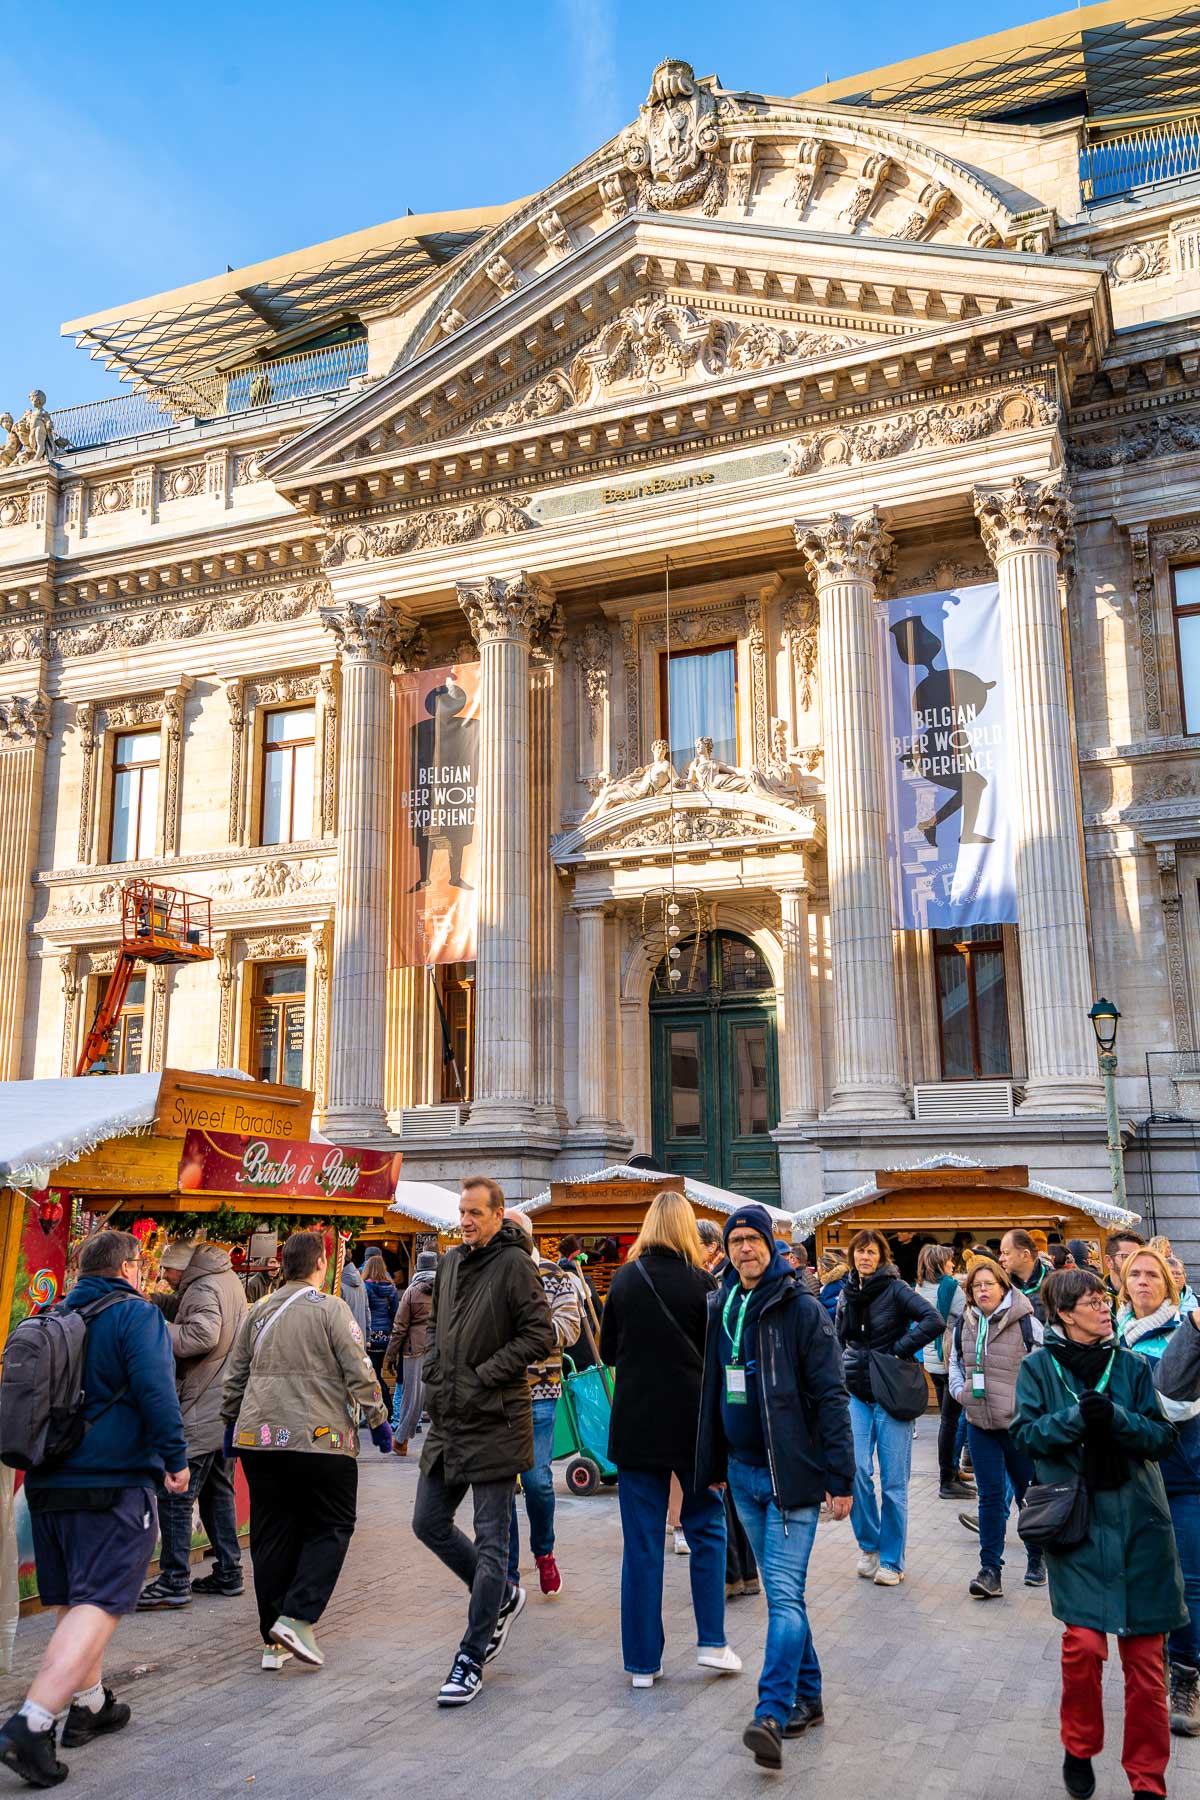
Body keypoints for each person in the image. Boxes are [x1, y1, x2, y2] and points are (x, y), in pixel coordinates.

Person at [0, 1231, 188, 1790]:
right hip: (111, 1483)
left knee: (72, 1596)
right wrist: (175, 1458)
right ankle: (31, 1724)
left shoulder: (51, 1313)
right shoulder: (137, 1316)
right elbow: (157, 1390)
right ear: (129, 1266)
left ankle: (90, 1700)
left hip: (47, 1483)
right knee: (102, 1599)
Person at [1012, 1266, 1187, 1800]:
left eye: (1102, 1299)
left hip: (1141, 1527)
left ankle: (1147, 1782)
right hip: (1078, 1527)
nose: (1103, 1306)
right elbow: (1026, 1435)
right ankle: (1080, 1745)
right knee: (1084, 1647)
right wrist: (1075, 1420)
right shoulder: (1038, 1368)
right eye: (1091, 1301)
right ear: (1064, 1314)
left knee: (1146, 1668)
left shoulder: (1131, 1366)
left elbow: (1161, 1438)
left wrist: (1114, 1419)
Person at [696, 1204, 854, 1771]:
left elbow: (832, 1395)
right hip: (740, 1472)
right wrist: (710, 1462)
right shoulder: (721, 1304)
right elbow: (713, 1388)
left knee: (783, 1596)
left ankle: (771, 1710)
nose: (743, 1249)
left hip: (792, 1475)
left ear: (772, 1245)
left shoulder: (802, 1308)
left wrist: (841, 1477)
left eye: (752, 1241)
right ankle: (808, 1695)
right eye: (735, 1241)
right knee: (786, 1592)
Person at [222, 1228, 392, 1672]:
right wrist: (378, 1420)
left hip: (259, 1438)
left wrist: (229, 1424)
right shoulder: (330, 1309)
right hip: (322, 1441)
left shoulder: (256, 1311)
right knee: (333, 1523)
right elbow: (359, 1367)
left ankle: (272, 1641)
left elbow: (235, 1376)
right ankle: (297, 1617)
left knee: (272, 1533)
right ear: (320, 1264)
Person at [412, 1177, 554, 1707]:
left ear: (499, 1216)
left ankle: (470, 1657)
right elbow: (438, 1331)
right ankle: (502, 1597)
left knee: (493, 1540)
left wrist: (485, 1374)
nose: (466, 1220)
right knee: (427, 1522)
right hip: (450, 1420)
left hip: (496, 1419)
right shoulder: (447, 1264)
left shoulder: (515, 1265)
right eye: (462, 1212)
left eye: (475, 1212)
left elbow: (540, 1334)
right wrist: (434, 1376)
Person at [598, 1190, 741, 1689]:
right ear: (685, 1229)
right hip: (692, 1426)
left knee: (641, 1544)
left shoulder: (624, 1279)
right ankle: (711, 1643)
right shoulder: (706, 1285)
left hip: (637, 1425)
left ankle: (642, 1663)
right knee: (706, 1529)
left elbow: (609, 1350)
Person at [1115, 1247, 1200, 1736]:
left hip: (1183, 1473)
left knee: (1190, 1578)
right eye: (1136, 1274)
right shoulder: (1113, 1333)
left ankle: (1187, 1675)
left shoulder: (1186, 1332)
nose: (1144, 1281)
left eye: (1154, 1275)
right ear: (1124, 1284)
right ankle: (1161, 1664)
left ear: (1170, 1286)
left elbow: (1175, 1408)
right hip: (1131, 1478)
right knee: (1145, 1575)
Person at [138, 1239, 246, 1609]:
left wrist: (152, 1334)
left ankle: (174, 1579)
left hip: (202, 1403)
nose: (165, 1277)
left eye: (167, 1271)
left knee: (176, 1494)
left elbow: (203, 1334)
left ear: (184, 1268)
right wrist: (156, 1303)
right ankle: (230, 1571)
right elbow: (194, 1312)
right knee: (218, 1493)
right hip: (223, 1403)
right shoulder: (219, 1278)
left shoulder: (202, 1287)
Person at [836, 1228, 943, 1585]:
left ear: (883, 1257)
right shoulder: (846, 1293)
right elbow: (838, 1337)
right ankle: (869, 1545)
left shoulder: (897, 1290)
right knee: (856, 1471)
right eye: (860, 1252)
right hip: (855, 1391)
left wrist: (898, 1349)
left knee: (894, 1483)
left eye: (872, 1252)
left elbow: (934, 1320)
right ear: (852, 1257)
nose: (865, 1257)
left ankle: (893, 1560)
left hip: (891, 1392)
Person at [948, 1255, 1044, 1598]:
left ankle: (1036, 1557)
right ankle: (991, 1570)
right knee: (989, 1497)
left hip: (1018, 1426)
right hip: (980, 1423)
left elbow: (1044, 1367)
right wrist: (960, 1393)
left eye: (989, 1283)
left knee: (1026, 1495)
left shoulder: (1026, 1322)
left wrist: (1030, 1408)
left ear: (1003, 1285)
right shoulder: (966, 1322)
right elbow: (955, 1363)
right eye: (976, 1286)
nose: (983, 1290)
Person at [503, 1209, 580, 1600]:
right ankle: (509, 1571)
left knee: (537, 1482)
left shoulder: (555, 1276)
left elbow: (571, 1326)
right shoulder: (489, 1274)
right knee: (500, 1487)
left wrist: (530, 1330)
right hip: (496, 1395)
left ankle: (544, 1551)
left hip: (540, 1392)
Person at [915, 1243, 970, 1499]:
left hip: (931, 1359)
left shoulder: (920, 1287)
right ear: (940, 1262)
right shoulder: (951, 1288)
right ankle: (947, 1479)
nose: (952, 1264)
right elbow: (966, 1317)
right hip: (949, 1360)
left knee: (946, 1421)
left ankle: (951, 1472)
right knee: (950, 1422)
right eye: (949, 1260)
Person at [383, 1250, 437, 1455]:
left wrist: (390, 1356)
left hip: (415, 1349)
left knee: (411, 1398)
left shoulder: (412, 1291)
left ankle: (401, 1441)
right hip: (441, 1348)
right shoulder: (447, 1289)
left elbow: (399, 1327)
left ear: (417, 1268)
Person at [361, 1254, 399, 1414]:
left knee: (373, 1373)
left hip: (371, 1335)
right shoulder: (391, 1288)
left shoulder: (366, 1287)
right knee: (376, 1371)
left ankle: (386, 1408)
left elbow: (365, 1311)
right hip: (385, 1336)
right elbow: (395, 1312)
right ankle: (383, 1408)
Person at [557, 1234, 600, 1370]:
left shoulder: (553, 1279)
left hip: (561, 1351)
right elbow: (600, 1312)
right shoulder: (585, 1281)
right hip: (585, 1350)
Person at [999, 1229, 1051, 1322]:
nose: (1001, 1258)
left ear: (1025, 1255)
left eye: (1006, 1253)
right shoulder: (1002, 1285)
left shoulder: (1054, 1283)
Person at [1103, 1230, 1146, 1301]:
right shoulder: (1097, 1296)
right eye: (1126, 1256)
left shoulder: (1148, 1293)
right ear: (1109, 1261)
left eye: (1137, 1257)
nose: (1133, 1261)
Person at [340, 1255, 369, 1340]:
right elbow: (366, 1310)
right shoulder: (362, 1283)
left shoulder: (339, 1285)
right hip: (360, 1336)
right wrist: (367, 1336)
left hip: (344, 1339)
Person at [817, 1249, 848, 1321]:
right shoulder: (842, 1281)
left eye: (818, 1266)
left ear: (824, 1268)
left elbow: (834, 1311)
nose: (817, 1269)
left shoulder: (835, 1285)